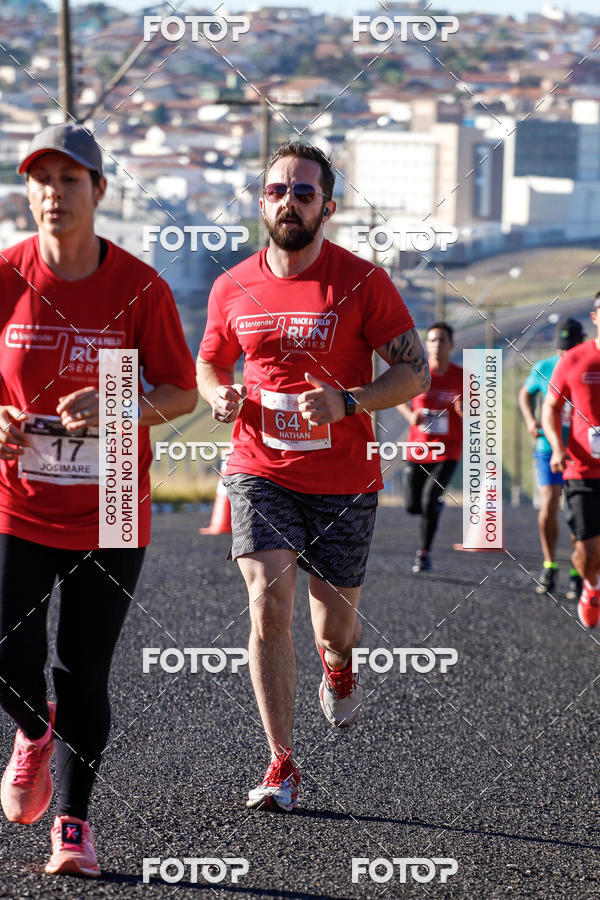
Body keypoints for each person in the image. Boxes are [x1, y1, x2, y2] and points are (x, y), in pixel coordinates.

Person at [196, 141, 429, 812]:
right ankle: (280, 764)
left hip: (344, 479)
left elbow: (414, 372)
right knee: (268, 599)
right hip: (259, 468)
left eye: (303, 192)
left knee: (335, 628)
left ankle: (340, 665)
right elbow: (211, 361)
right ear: (261, 200)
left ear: (328, 205)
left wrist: (348, 401)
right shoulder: (231, 284)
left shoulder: (363, 282)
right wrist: (218, 393)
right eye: (276, 190)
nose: (288, 202)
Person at [0, 124, 197, 876]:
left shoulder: (140, 286)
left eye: (71, 179)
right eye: (41, 179)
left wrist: (121, 406)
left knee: (84, 667)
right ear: (28, 193)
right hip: (17, 497)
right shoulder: (6, 275)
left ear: (99, 192)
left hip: (112, 498)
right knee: (5, 649)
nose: (55, 193)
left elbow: (182, 390)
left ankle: (74, 827)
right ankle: (32, 731)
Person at [542, 296, 600, 627]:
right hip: (582, 469)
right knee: (588, 552)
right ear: (595, 317)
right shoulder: (575, 360)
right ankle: (591, 585)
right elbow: (549, 407)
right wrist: (557, 447)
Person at [519, 318, 585, 597]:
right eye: (560, 351)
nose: (564, 356)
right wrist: (530, 421)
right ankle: (549, 565)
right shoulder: (544, 367)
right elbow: (525, 394)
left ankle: (577, 571)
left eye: (569, 350)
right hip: (548, 447)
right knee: (549, 502)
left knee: (577, 511)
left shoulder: (589, 365)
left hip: (582, 450)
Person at [396, 322, 462, 573]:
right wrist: (410, 415)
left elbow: (479, 410)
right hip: (419, 448)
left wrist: (466, 411)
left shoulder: (462, 376)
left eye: (442, 340)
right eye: (432, 340)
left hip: (448, 450)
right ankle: (434, 506)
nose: (436, 345)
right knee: (413, 505)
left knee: (428, 499)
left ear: (451, 345)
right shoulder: (418, 373)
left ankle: (423, 554)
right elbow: (397, 397)